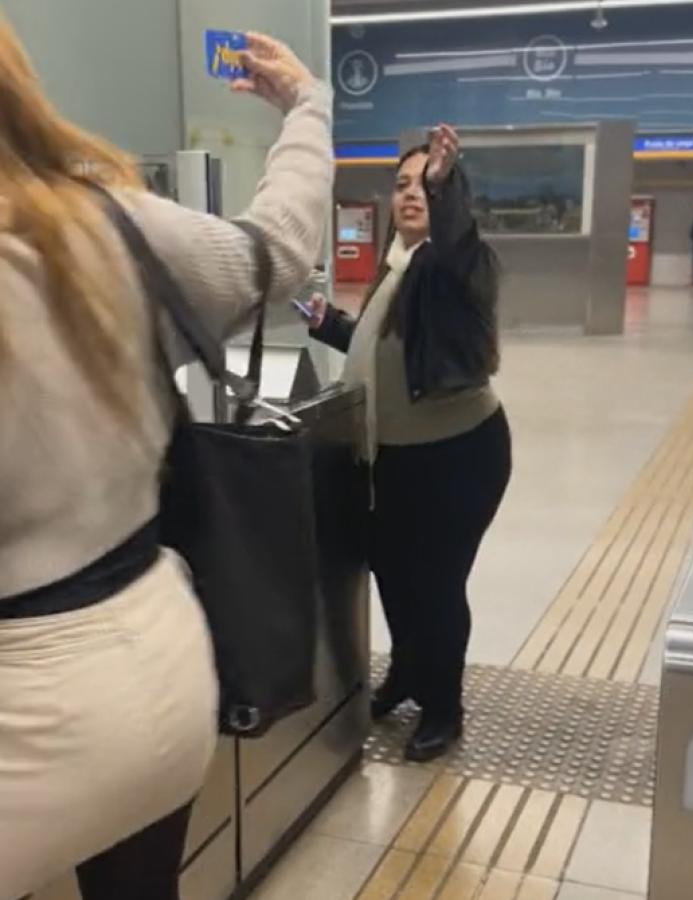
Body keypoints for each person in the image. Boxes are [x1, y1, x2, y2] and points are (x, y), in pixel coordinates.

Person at [0, 23, 330, 899]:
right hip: (164, 665)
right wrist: (308, 106)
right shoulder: (115, 223)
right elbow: (281, 246)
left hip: (25, 711)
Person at [301, 123, 509, 764]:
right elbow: (384, 349)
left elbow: (456, 237)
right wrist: (329, 324)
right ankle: (408, 674)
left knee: (436, 585)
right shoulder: (394, 267)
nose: (412, 194)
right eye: (402, 185)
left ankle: (443, 707)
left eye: (426, 185)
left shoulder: (456, 264)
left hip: (456, 455)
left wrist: (449, 188)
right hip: (393, 457)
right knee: (391, 572)